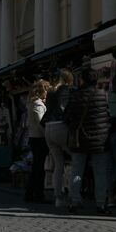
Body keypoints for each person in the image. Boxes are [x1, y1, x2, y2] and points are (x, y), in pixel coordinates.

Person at [64, 68, 111, 214]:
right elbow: (109, 116)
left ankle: (74, 201)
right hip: (100, 140)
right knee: (100, 173)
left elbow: (67, 117)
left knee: (77, 171)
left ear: (82, 80)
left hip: (80, 139)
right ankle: (101, 204)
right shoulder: (103, 95)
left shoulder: (75, 96)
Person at [44, 69, 73, 208]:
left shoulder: (50, 91)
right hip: (60, 127)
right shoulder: (65, 89)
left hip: (48, 128)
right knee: (77, 161)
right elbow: (66, 109)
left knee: (58, 165)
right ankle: (74, 193)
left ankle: (58, 198)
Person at [24, 79, 50, 203]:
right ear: (41, 91)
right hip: (40, 138)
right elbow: (41, 124)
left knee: (37, 167)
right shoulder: (38, 104)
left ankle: (31, 193)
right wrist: (48, 136)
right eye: (46, 90)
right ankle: (37, 194)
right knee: (39, 168)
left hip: (34, 138)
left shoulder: (31, 103)